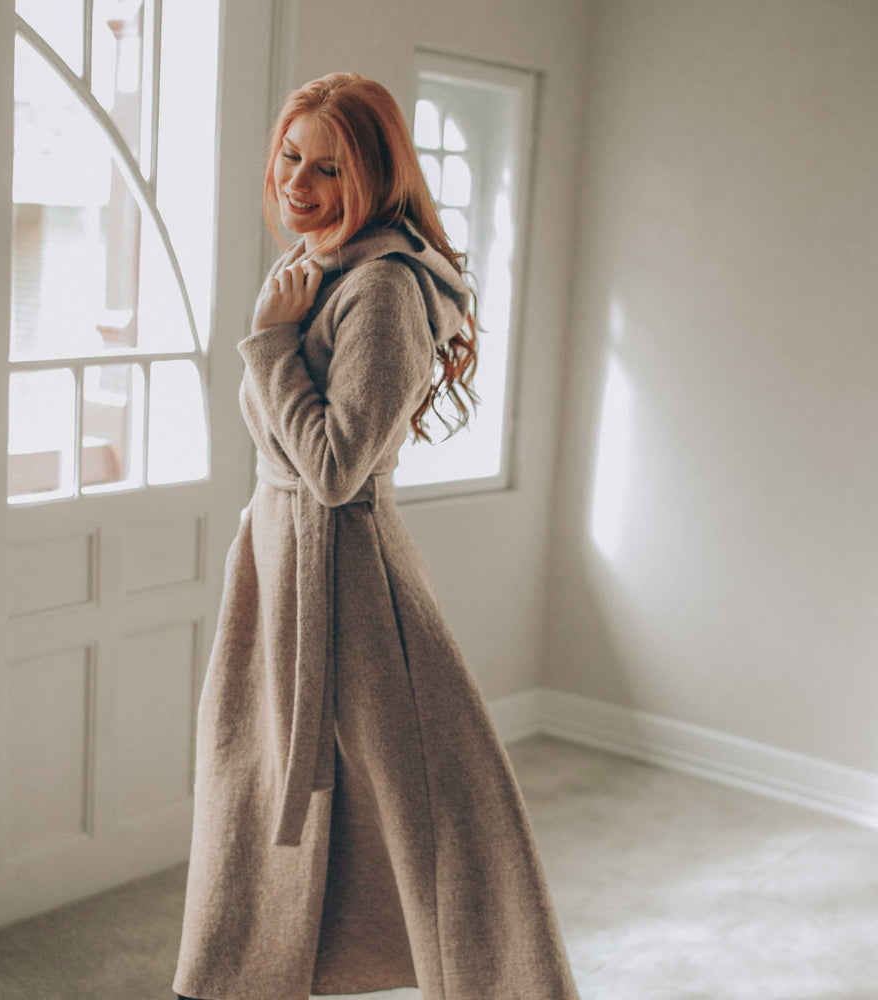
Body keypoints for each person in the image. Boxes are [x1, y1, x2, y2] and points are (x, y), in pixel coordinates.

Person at [174, 72, 578, 1000]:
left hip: (345, 574)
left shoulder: (385, 289)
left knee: (429, 805)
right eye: (290, 157)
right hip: (279, 567)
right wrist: (278, 331)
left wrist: (271, 343)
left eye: (328, 168)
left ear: (378, 176)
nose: (297, 185)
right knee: (256, 791)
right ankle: (242, 974)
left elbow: (335, 467)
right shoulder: (321, 266)